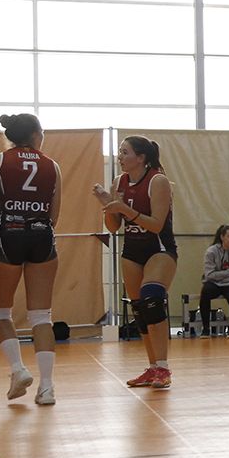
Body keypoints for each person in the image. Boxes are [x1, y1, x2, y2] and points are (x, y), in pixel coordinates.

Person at [0, 113, 60, 405]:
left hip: (8, 233)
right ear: (36, 134)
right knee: (41, 316)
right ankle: (47, 388)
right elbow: (54, 215)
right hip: (42, 235)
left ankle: (18, 369)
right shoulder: (53, 166)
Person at [94, 135, 176, 389]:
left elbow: (156, 225)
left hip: (159, 248)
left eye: (124, 152)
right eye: (119, 152)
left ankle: (163, 367)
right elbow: (114, 227)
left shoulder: (158, 181)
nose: (120, 156)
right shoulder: (119, 181)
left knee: (151, 297)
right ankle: (153, 368)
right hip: (132, 250)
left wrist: (125, 209)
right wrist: (108, 206)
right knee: (140, 309)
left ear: (141, 158)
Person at [201, 225, 229, 338]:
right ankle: (206, 329)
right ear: (222, 237)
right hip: (214, 283)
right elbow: (209, 274)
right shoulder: (211, 252)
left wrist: (225, 277)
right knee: (205, 292)